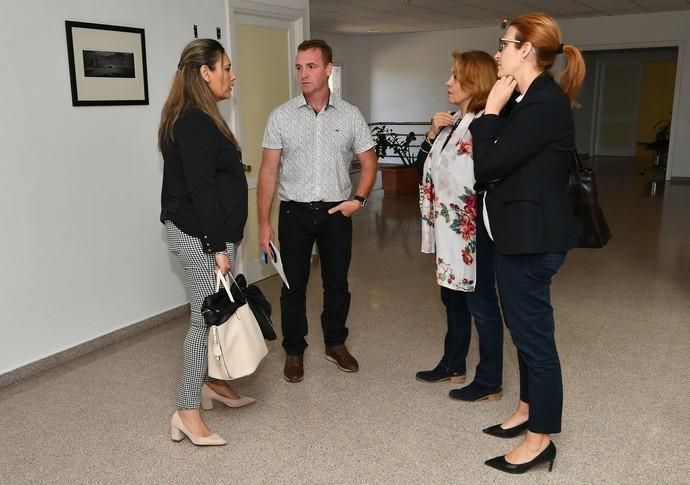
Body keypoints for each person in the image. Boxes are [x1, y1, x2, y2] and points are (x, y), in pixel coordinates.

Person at [469, 14, 585, 473]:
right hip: (518, 236)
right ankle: (525, 411)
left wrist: (492, 109)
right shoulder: (530, 98)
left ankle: (541, 440)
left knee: (536, 342)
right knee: (525, 333)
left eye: (504, 44)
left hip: (533, 243)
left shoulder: (540, 104)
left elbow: (489, 164)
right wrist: (500, 105)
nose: (497, 52)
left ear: (525, 51)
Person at [257, 39, 378, 383]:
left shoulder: (350, 115)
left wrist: (360, 199)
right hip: (293, 212)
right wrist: (264, 223)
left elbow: (369, 162)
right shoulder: (281, 116)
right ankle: (294, 350)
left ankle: (335, 343)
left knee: (336, 282)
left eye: (311, 66)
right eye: (299, 67)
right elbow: (268, 172)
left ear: (328, 69)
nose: (303, 74)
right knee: (292, 286)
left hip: (336, 212)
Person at [158, 38, 255, 446]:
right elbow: (202, 189)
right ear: (205, 72)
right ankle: (186, 409)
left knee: (219, 312)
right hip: (201, 236)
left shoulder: (198, 114)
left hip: (206, 233)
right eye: (227, 67)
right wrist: (217, 247)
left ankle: (215, 384)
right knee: (203, 320)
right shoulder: (194, 120)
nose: (233, 75)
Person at [414, 51, 505, 402]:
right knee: (451, 298)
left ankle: (490, 379)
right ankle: (453, 364)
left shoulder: (486, 124)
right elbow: (424, 168)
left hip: (474, 229)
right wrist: (432, 132)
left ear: (474, 81)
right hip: (449, 230)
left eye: (455, 76)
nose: (447, 82)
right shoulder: (452, 123)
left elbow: (490, 172)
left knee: (480, 303)